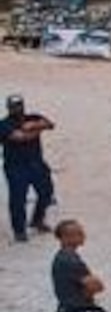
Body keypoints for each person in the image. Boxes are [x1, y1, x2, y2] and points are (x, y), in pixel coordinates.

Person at [4, 95, 57, 241]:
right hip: (16, 166)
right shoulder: (4, 124)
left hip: (37, 163)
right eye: (14, 106)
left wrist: (32, 126)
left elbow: (51, 124)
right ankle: (19, 230)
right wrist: (38, 129)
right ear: (8, 108)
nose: (17, 109)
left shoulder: (32, 117)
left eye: (19, 105)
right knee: (18, 199)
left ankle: (37, 220)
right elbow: (19, 137)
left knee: (47, 192)